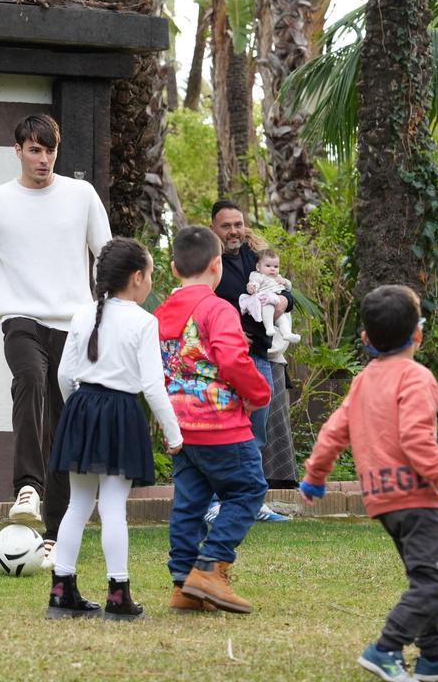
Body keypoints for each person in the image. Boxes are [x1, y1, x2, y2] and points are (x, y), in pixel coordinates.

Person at [0, 114, 112, 564]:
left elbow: (106, 257)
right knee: (28, 378)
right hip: (20, 319)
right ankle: (28, 488)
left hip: (75, 324)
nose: (43, 159)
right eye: (34, 150)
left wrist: (110, 317)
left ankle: (55, 534)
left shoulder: (81, 195)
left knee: (64, 426)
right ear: (18, 151)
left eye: (50, 151)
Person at [301, 285, 438, 682]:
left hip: (381, 499)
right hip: (415, 496)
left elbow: (333, 431)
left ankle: (432, 657)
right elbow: (416, 437)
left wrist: (314, 477)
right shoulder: (416, 377)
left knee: (426, 575)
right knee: (433, 580)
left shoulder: (363, 381)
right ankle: (385, 648)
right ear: (418, 335)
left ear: (365, 339)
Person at [45, 238, 183, 621]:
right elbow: (154, 387)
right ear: (137, 277)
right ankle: (118, 595)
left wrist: (78, 409)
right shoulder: (144, 321)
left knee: (77, 504)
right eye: (150, 274)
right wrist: (174, 436)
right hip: (120, 412)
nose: (151, 281)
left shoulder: (82, 314)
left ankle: (61, 589)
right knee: (113, 508)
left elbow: (64, 375)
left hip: (82, 407)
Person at [155, 226, 271, 614]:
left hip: (180, 427)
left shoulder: (159, 314)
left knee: (189, 503)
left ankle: (183, 586)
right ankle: (210, 566)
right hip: (221, 425)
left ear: (174, 269)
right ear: (217, 266)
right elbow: (232, 358)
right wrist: (258, 394)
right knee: (248, 490)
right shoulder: (217, 308)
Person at [209, 201, 296, 514]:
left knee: (254, 433)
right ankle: (217, 503)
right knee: (221, 430)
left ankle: (252, 502)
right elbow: (199, 306)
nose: (234, 231)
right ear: (213, 230)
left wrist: (285, 301)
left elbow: (282, 288)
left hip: (257, 357)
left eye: (238, 224)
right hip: (219, 360)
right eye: (226, 226)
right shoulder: (209, 263)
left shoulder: (255, 258)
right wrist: (228, 329)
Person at [238, 248, 301, 356]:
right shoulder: (257, 275)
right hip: (264, 298)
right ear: (258, 267)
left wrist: (284, 282)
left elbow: (289, 286)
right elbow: (254, 283)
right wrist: (252, 287)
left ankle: (287, 333)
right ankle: (269, 327)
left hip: (276, 299)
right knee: (268, 306)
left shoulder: (278, 277)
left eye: (275, 267)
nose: (272, 269)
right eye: (268, 266)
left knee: (282, 319)